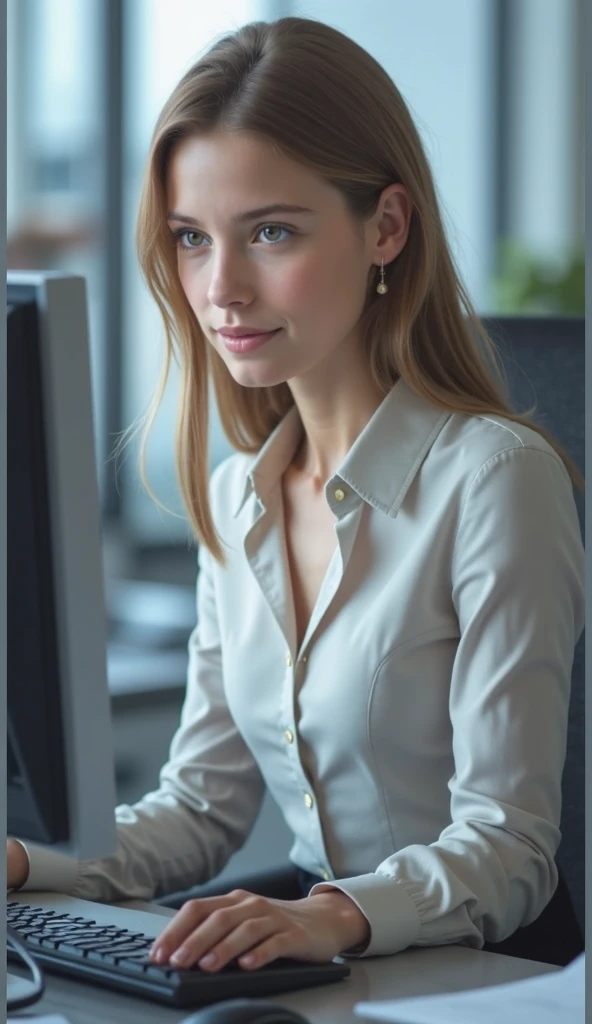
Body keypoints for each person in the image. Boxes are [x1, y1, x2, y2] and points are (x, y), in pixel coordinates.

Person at [8, 15, 585, 975]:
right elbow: (199, 812)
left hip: (481, 977)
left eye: (271, 231)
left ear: (386, 228)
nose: (222, 287)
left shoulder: (494, 479)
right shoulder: (241, 499)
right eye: (193, 238)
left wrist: (338, 916)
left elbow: (513, 851)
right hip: (329, 967)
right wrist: (27, 861)